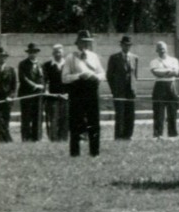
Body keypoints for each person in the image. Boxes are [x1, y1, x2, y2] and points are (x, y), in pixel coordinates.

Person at [62, 30, 105, 159]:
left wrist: (95, 76)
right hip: (77, 91)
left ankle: (95, 152)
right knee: (75, 122)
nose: (86, 45)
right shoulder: (71, 57)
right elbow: (64, 78)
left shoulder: (94, 56)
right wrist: (79, 76)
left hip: (92, 90)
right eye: (84, 42)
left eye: (88, 42)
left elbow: (102, 73)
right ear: (78, 43)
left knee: (94, 121)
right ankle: (75, 153)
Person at [107, 35, 139, 140]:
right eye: (125, 45)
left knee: (130, 114)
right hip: (119, 91)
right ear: (121, 45)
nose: (127, 47)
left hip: (131, 91)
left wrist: (134, 87)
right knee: (120, 114)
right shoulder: (114, 58)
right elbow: (109, 75)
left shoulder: (135, 58)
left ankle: (128, 135)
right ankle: (119, 136)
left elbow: (135, 75)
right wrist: (114, 90)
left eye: (129, 45)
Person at [150, 40, 179, 138]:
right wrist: (169, 71)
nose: (161, 51)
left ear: (166, 49)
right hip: (159, 87)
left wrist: (163, 72)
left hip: (171, 86)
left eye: (163, 48)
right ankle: (158, 133)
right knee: (158, 112)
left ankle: (173, 133)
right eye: (159, 49)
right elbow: (156, 73)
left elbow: (176, 72)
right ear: (156, 50)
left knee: (172, 111)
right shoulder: (153, 62)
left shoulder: (174, 60)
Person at [17, 42, 44, 142]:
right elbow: (23, 78)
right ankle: (26, 138)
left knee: (37, 116)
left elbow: (43, 78)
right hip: (26, 94)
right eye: (31, 52)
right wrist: (34, 85)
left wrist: (42, 87)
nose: (33, 54)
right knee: (26, 116)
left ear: (37, 53)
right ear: (28, 53)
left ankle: (36, 138)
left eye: (35, 52)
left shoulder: (40, 65)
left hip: (38, 95)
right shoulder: (23, 64)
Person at [43, 43, 68, 142]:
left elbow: (71, 81)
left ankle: (64, 138)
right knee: (53, 118)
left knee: (64, 118)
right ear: (53, 53)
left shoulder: (68, 64)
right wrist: (46, 91)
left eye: (60, 52)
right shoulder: (47, 65)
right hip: (52, 97)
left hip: (66, 96)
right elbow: (44, 80)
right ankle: (54, 139)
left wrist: (69, 93)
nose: (58, 54)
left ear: (63, 53)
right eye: (56, 52)